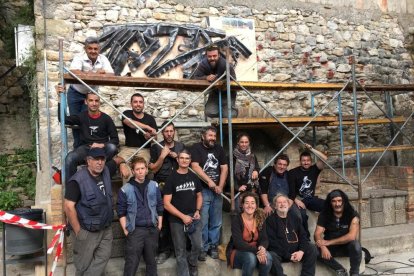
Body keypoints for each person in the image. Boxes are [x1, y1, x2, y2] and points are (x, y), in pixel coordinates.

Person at [63, 148, 123, 276]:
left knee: (102, 259)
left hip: (106, 229)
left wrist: (122, 164)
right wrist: (78, 231)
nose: (100, 162)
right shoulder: (77, 181)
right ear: (88, 161)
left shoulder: (106, 169)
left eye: (102, 159)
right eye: (96, 159)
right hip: (87, 231)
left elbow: (118, 160)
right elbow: (68, 206)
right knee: (83, 265)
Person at [57, 89, 119, 183]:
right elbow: (63, 119)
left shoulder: (106, 118)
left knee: (112, 147)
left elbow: (115, 139)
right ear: (86, 102)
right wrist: (60, 98)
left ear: (99, 102)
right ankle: (71, 189)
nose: (94, 103)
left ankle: (97, 165)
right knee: (70, 158)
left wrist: (101, 145)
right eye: (91, 100)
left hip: (102, 149)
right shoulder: (81, 116)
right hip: (87, 149)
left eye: (96, 101)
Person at [117, 156, 163, 276]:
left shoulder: (154, 185)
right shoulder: (125, 189)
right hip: (135, 230)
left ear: (147, 169)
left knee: (151, 262)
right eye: (137, 169)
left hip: (152, 229)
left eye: (143, 168)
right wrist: (125, 230)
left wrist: (159, 225)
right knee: (131, 263)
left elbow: (159, 206)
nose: (141, 171)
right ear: (133, 171)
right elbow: (121, 211)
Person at [67, 36, 114, 148]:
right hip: (75, 93)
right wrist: (96, 74)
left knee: (87, 121)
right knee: (75, 121)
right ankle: (78, 147)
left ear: (99, 50)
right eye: (90, 48)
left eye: (95, 49)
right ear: (85, 49)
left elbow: (111, 74)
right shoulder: (79, 57)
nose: (93, 51)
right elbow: (74, 71)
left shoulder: (103, 58)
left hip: (91, 94)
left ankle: (88, 147)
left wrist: (89, 73)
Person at [148, 121, 185, 264]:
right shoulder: (156, 147)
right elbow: (152, 170)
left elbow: (187, 165)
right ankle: (164, 250)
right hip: (162, 188)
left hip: (178, 187)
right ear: (162, 133)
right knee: (161, 221)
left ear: (174, 131)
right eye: (166, 131)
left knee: (176, 220)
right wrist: (162, 156)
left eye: (171, 131)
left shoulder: (181, 146)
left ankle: (178, 249)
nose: (169, 134)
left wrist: (178, 157)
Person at [190, 126, 228, 260]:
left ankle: (213, 247)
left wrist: (220, 185)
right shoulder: (195, 148)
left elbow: (224, 167)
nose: (212, 138)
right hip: (203, 190)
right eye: (210, 135)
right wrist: (209, 182)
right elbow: (195, 166)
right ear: (203, 136)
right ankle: (202, 248)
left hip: (217, 191)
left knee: (216, 222)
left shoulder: (219, 149)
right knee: (203, 221)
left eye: (214, 136)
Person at [163, 149, 203, 276]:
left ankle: (192, 263)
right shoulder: (171, 178)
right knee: (180, 250)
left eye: (187, 158)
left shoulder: (194, 177)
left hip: (193, 217)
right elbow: (166, 204)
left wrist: (197, 210)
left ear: (190, 161)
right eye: (182, 158)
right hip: (176, 219)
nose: (184, 160)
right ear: (177, 160)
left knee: (198, 244)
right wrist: (182, 216)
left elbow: (199, 196)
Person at [266, 194, 317, 276]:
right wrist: (288, 256)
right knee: (271, 255)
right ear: (275, 206)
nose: (282, 204)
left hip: (297, 252)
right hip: (281, 254)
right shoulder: (270, 220)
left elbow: (303, 236)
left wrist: (301, 251)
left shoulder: (294, 218)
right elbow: (272, 243)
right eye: (279, 203)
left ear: (288, 204)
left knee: (312, 248)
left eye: (284, 202)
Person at [314, 189, 362, 276]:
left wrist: (328, 242)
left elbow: (351, 236)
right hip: (330, 248)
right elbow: (317, 233)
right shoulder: (324, 214)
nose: (337, 204)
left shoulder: (352, 215)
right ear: (330, 203)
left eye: (340, 201)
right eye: (334, 201)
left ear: (344, 201)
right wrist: (323, 246)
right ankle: (340, 270)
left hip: (346, 247)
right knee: (313, 250)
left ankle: (354, 273)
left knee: (356, 246)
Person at [226, 192, 272, 276]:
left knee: (268, 258)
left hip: (255, 251)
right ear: (242, 205)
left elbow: (264, 238)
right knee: (250, 258)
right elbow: (238, 243)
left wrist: (262, 247)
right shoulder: (237, 220)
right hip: (238, 252)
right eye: (246, 203)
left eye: (252, 203)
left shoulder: (260, 218)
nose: (249, 206)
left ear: (256, 206)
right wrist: (257, 251)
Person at [259, 154, 304, 234]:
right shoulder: (268, 171)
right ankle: (270, 238)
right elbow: (263, 190)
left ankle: (299, 236)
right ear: (275, 164)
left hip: (287, 202)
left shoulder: (289, 175)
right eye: (280, 164)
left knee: (297, 215)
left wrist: (287, 206)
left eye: (284, 165)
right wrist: (267, 205)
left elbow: (292, 194)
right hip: (271, 202)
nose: (282, 167)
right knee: (268, 217)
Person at [191, 44, 237, 118]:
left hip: (228, 93)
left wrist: (221, 81)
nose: (212, 58)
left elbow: (233, 79)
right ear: (206, 56)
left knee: (230, 116)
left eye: (214, 56)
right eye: (209, 56)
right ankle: (222, 113)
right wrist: (206, 77)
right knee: (209, 112)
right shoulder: (203, 64)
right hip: (214, 93)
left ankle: (229, 111)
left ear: (219, 55)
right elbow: (195, 77)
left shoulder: (225, 64)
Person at [118, 93, 158, 178]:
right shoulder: (127, 113)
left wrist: (149, 138)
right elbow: (130, 123)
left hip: (144, 149)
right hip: (128, 148)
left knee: (141, 168)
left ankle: (139, 187)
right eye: (135, 102)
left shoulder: (150, 118)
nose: (138, 104)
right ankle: (127, 189)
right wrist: (147, 127)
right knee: (125, 169)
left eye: (140, 102)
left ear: (143, 104)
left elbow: (155, 137)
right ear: (131, 104)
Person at [288, 143, 328, 213]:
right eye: (303, 160)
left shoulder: (314, 169)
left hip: (310, 199)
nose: (306, 162)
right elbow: (291, 190)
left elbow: (324, 158)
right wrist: (296, 200)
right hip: (299, 199)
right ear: (300, 161)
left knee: (328, 206)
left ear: (311, 161)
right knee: (302, 216)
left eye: (308, 160)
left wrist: (311, 149)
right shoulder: (293, 172)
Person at [233, 133, 260, 203]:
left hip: (251, 189)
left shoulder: (252, 156)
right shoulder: (232, 157)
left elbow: (257, 167)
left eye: (246, 142)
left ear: (249, 143)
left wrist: (256, 171)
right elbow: (229, 175)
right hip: (238, 191)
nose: (244, 144)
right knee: (239, 211)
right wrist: (237, 187)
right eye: (242, 142)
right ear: (238, 143)